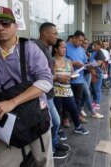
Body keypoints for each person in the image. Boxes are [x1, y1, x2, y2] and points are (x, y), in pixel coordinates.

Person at [0, 6, 53, 167]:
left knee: (44, 162)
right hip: (7, 120)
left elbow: (46, 81)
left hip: (35, 116)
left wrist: (13, 102)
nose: (0, 27)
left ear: (16, 25)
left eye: (5, 23)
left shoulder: (30, 49)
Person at [32, 22, 69, 159]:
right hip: (42, 95)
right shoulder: (36, 48)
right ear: (44, 33)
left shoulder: (46, 48)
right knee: (54, 122)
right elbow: (37, 75)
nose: (56, 36)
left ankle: (54, 143)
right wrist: (58, 77)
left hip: (49, 93)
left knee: (54, 122)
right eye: (54, 33)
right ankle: (51, 150)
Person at [52, 38, 90, 135]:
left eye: (65, 47)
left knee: (74, 109)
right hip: (55, 91)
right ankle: (59, 131)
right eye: (62, 47)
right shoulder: (51, 61)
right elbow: (48, 77)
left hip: (68, 90)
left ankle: (78, 127)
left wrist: (73, 76)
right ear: (56, 49)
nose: (64, 49)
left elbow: (72, 73)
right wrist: (58, 78)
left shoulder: (68, 61)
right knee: (57, 112)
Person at [66, 30, 88, 123]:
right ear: (74, 38)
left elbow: (85, 62)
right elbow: (59, 61)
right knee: (67, 100)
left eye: (82, 41)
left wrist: (88, 65)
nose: (81, 43)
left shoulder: (82, 50)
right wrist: (74, 63)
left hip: (79, 79)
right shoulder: (65, 47)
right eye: (79, 40)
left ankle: (77, 116)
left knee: (77, 100)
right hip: (68, 79)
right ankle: (65, 118)